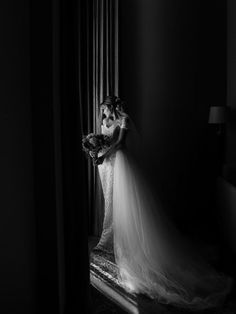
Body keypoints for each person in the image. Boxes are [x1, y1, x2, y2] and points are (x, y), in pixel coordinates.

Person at [93, 95, 233, 310]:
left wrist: (103, 154)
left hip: (121, 165)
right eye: (102, 110)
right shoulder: (104, 120)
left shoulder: (124, 121)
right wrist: (95, 150)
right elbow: (106, 140)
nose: (103, 112)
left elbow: (120, 145)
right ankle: (108, 240)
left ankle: (131, 245)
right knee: (110, 205)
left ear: (111, 106)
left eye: (105, 108)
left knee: (126, 207)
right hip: (107, 166)